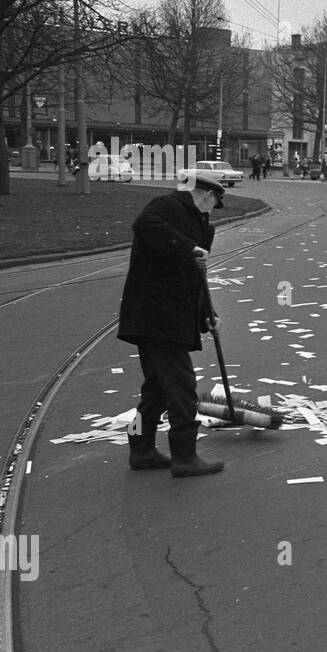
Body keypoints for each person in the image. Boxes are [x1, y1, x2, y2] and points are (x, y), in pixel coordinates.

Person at [117, 175, 228, 477]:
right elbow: (144, 225)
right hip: (157, 314)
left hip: (168, 316)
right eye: (215, 203)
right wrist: (187, 246)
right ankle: (184, 456)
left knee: (156, 390)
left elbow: (195, 276)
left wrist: (208, 313)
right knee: (181, 387)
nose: (213, 210)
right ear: (205, 195)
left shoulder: (202, 225)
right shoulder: (165, 206)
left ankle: (140, 451)